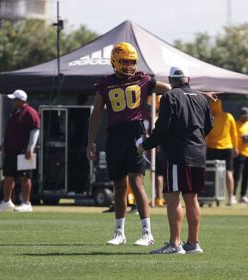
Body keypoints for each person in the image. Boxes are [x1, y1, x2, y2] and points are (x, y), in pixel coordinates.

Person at [86, 42, 171, 246]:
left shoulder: (142, 79)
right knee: (118, 185)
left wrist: (194, 94)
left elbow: (169, 89)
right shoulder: (105, 83)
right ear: (115, 60)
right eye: (125, 61)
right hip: (115, 136)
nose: (130, 65)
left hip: (135, 136)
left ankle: (147, 233)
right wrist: (90, 142)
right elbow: (96, 114)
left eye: (132, 62)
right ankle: (119, 232)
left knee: (137, 182)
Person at [138, 65, 214, 254]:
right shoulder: (201, 97)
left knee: (172, 198)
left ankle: (174, 244)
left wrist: (145, 145)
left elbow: (163, 127)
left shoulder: (169, 97)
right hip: (198, 154)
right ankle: (193, 243)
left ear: (171, 80)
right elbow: (209, 125)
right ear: (188, 78)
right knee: (192, 199)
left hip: (178, 155)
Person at [0, 89, 40, 212]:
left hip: (23, 151)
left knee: (24, 177)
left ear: (21, 101)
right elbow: (9, 131)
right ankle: (7, 201)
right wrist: (2, 144)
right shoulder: (14, 113)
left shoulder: (30, 112)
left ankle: (26, 203)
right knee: (8, 176)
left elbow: (35, 131)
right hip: (10, 150)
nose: (12, 102)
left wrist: (30, 148)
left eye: (14, 100)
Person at [206, 99, 238, 206]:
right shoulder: (228, 116)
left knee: (210, 173)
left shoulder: (210, 117)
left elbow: (207, 135)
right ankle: (231, 197)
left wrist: (205, 147)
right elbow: (234, 134)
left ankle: (210, 197)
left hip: (212, 148)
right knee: (228, 172)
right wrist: (236, 147)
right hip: (227, 147)